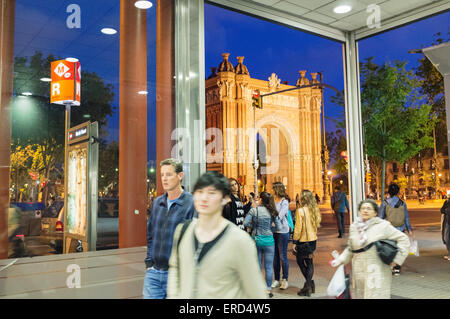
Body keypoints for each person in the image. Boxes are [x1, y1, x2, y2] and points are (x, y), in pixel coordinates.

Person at [167, 171, 267, 299]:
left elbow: (256, 291)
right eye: (200, 192)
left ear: (225, 199)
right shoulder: (182, 231)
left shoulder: (240, 241)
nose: (204, 198)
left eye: (212, 193)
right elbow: (175, 269)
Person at [330, 199, 410, 299]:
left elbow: (404, 239)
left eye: (369, 208)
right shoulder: (355, 227)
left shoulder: (383, 226)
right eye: (363, 208)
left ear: (375, 212)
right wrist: (340, 260)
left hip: (378, 272)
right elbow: (351, 248)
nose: (365, 211)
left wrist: (396, 260)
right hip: (359, 273)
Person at [143, 158, 195, 299]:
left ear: (180, 176)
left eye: (169, 174)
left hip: (177, 275)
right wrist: (149, 263)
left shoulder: (191, 203)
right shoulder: (157, 203)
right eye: (162, 175)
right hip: (153, 274)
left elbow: (195, 240)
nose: (164, 179)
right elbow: (150, 235)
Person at [244, 191, 281, 297]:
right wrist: (271, 229)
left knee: (258, 266)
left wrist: (253, 227)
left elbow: (245, 223)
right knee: (269, 267)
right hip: (269, 240)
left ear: (261, 199)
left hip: (257, 239)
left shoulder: (254, 210)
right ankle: (268, 289)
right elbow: (278, 227)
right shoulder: (273, 211)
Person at [379, 183, 413, 275]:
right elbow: (406, 217)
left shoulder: (385, 203)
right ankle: (397, 268)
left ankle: (390, 265)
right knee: (399, 248)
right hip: (400, 229)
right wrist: (409, 229)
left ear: (389, 191)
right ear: (398, 192)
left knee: (389, 247)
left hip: (389, 230)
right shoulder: (402, 203)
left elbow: (380, 217)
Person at [293, 190, 321, 297]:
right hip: (313, 240)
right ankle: (309, 284)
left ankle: (308, 286)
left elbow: (298, 228)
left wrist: (295, 241)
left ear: (304, 198)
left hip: (303, 240)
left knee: (300, 261)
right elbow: (316, 226)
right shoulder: (315, 210)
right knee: (309, 262)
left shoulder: (300, 211)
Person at [271, 181, 290, 290]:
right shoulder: (272, 201)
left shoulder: (284, 202)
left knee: (283, 256)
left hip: (283, 232)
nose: (272, 190)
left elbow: (280, 216)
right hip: (273, 231)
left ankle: (285, 279)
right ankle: (277, 279)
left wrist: (273, 218)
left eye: (273, 188)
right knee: (275, 257)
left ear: (277, 189)